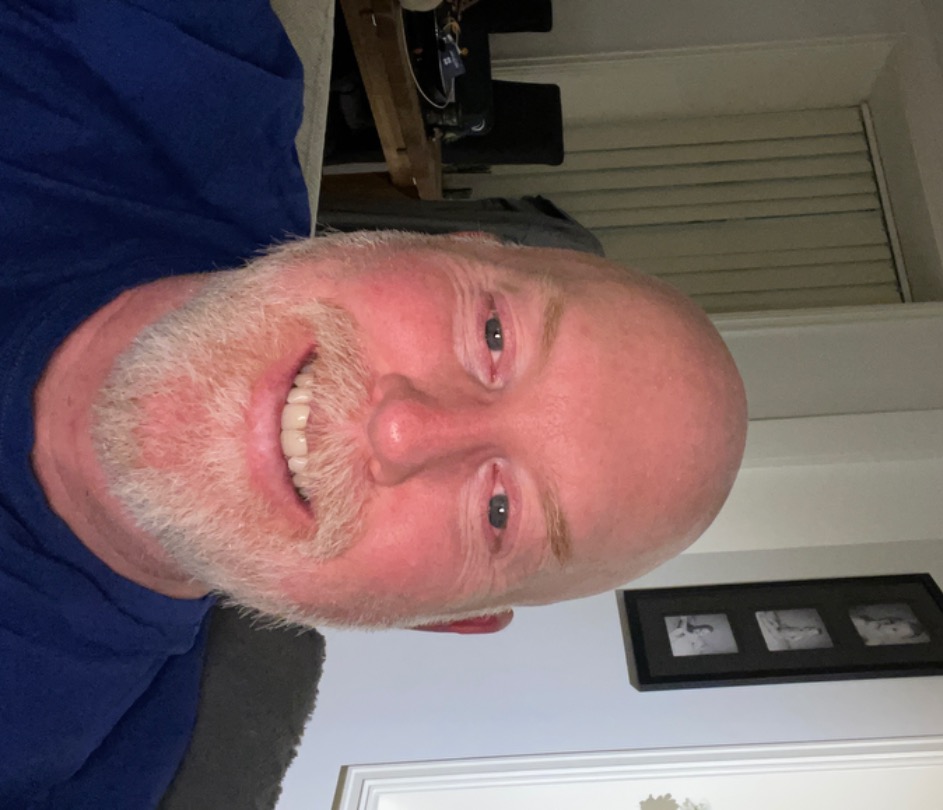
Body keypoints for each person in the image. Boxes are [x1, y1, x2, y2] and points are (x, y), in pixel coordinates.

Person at [1, 2, 746, 807]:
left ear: (442, 619)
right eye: (493, 335)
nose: (403, 428)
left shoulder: (62, 776)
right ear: (448, 243)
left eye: (498, 513)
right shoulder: (178, 55)